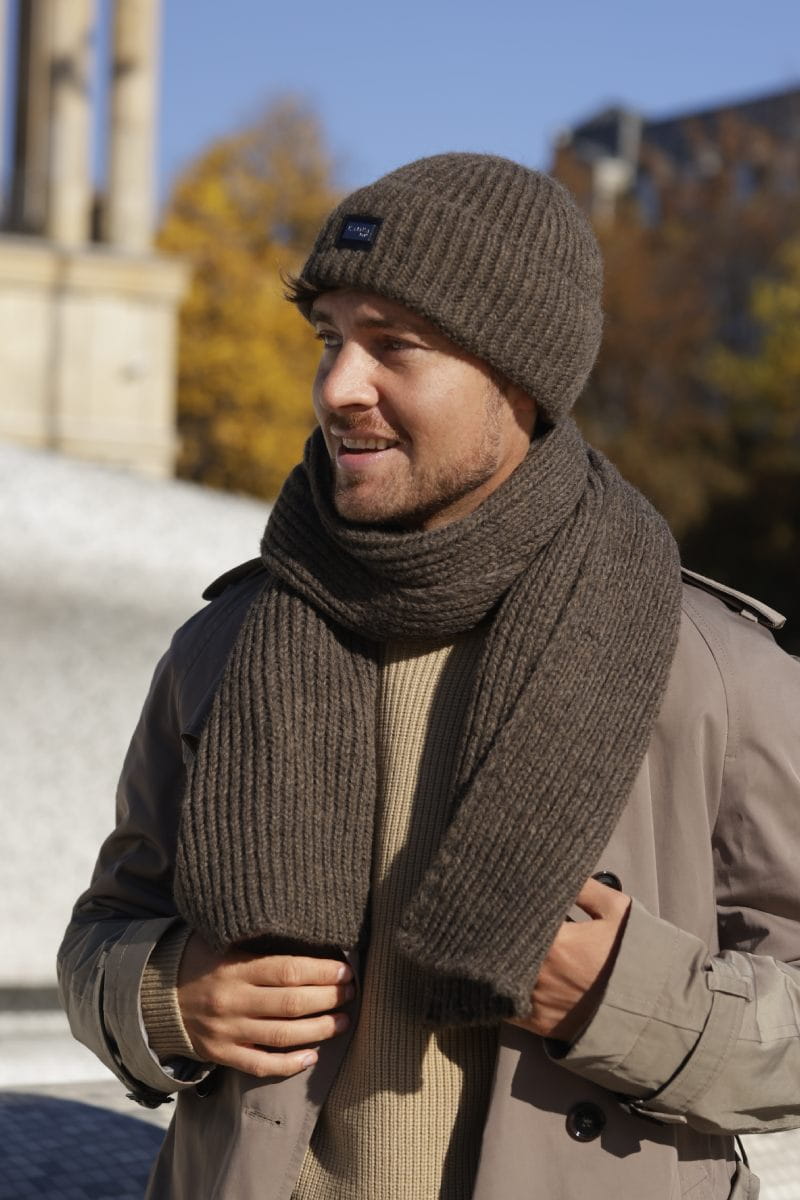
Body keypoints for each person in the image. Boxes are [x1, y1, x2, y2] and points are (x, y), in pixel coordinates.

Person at [58, 154, 800, 1200]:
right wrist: (166, 997)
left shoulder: (711, 668)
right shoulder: (224, 644)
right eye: (329, 339)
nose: (337, 388)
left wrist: (633, 1003)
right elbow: (103, 932)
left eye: (393, 345)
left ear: (519, 377)